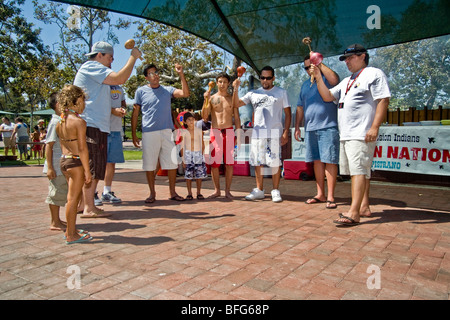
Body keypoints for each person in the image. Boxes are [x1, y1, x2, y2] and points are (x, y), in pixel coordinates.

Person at [312, 44, 391, 226]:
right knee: (362, 172)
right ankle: (364, 206)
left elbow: (383, 100)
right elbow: (327, 96)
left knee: (358, 172)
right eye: (345, 59)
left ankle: (354, 213)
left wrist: (374, 127)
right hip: (347, 134)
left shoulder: (373, 73)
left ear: (362, 56)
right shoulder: (347, 80)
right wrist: (318, 77)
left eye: (350, 58)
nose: (347, 62)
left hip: (361, 133)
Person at [74, 40, 141, 218]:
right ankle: (89, 207)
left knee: (95, 166)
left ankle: (83, 205)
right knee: (93, 166)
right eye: (110, 57)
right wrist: (133, 58)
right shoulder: (92, 66)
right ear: (99, 55)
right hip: (92, 125)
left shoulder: (94, 71)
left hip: (97, 124)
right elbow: (120, 78)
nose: (111, 62)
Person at [132, 63, 190, 203]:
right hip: (149, 132)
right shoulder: (140, 91)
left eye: (156, 72)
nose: (155, 75)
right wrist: (134, 134)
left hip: (166, 131)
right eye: (151, 73)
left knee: (171, 163)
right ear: (146, 77)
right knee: (150, 164)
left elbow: (185, 93)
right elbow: (135, 113)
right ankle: (152, 193)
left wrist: (181, 74)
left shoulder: (167, 90)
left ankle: (172, 192)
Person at [233, 66, 291, 202]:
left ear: (273, 78)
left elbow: (288, 114)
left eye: (268, 78)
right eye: (263, 78)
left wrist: (286, 132)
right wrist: (235, 88)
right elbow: (235, 103)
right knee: (257, 162)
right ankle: (259, 190)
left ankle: (275, 190)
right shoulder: (253, 93)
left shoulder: (281, 92)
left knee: (275, 162)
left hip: (274, 133)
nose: (265, 81)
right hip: (258, 133)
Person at [294, 55, 340, 209]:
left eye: (311, 65)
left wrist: (319, 65)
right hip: (310, 128)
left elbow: (335, 79)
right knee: (317, 161)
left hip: (328, 126)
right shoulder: (305, 85)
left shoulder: (326, 79)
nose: (309, 69)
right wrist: (297, 126)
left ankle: (331, 196)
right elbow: (300, 107)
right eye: (306, 67)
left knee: (330, 160)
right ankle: (320, 194)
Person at [56, 84, 93, 244]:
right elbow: (83, 149)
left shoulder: (61, 122)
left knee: (73, 198)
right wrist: (87, 171)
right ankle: (70, 234)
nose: (84, 104)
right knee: (73, 199)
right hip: (75, 163)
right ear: (76, 100)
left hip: (65, 161)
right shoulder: (78, 122)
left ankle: (72, 229)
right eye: (83, 100)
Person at [202, 72, 241, 199]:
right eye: (220, 81)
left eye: (225, 81)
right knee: (215, 163)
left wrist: (239, 133)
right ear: (216, 82)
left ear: (228, 83)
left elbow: (237, 116)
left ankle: (228, 191)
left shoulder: (231, 98)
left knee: (229, 163)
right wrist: (205, 99)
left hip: (229, 131)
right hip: (216, 131)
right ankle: (217, 190)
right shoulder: (212, 98)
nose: (222, 84)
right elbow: (204, 116)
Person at [96, 85, 127, 205]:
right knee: (98, 162)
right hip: (102, 129)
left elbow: (123, 102)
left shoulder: (119, 88)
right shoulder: (99, 87)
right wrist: (112, 111)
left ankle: (107, 192)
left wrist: (122, 109)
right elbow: (96, 105)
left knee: (111, 162)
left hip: (116, 129)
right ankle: (93, 193)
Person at [43, 92, 69, 232]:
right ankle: (54, 221)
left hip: (61, 166)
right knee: (55, 193)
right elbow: (49, 145)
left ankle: (58, 220)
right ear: (58, 105)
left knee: (61, 192)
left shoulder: (62, 120)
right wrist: (50, 168)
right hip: (56, 167)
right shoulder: (55, 122)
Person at [180, 112, 207, 200]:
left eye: (192, 119)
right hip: (188, 154)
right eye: (189, 120)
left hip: (197, 153)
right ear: (185, 122)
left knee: (199, 175)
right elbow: (182, 146)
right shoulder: (184, 132)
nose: (191, 121)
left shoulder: (199, 131)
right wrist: (183, 159)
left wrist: (202, 155)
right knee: (188, 175)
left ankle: (199, 192)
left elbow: (202, 144)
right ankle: (189, 193)